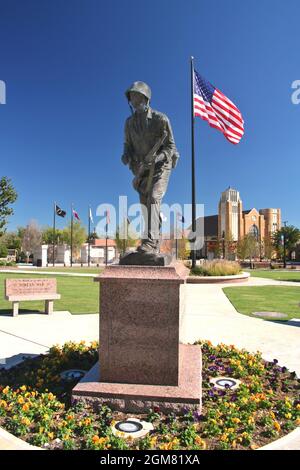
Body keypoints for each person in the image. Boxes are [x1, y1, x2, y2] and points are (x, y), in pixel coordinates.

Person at [121, 81, 178, 253]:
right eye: (131, 96)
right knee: (145, 204)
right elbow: (127, 145)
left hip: (162, 166)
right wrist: (126, 155)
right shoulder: (129, 123)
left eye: (135, 95)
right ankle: (149, 238)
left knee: (154, 198)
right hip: (141, 169)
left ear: (145, 98)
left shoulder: (161, 119)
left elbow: (171, 147)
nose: (132, 99)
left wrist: (158, 158)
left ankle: (151, 242)